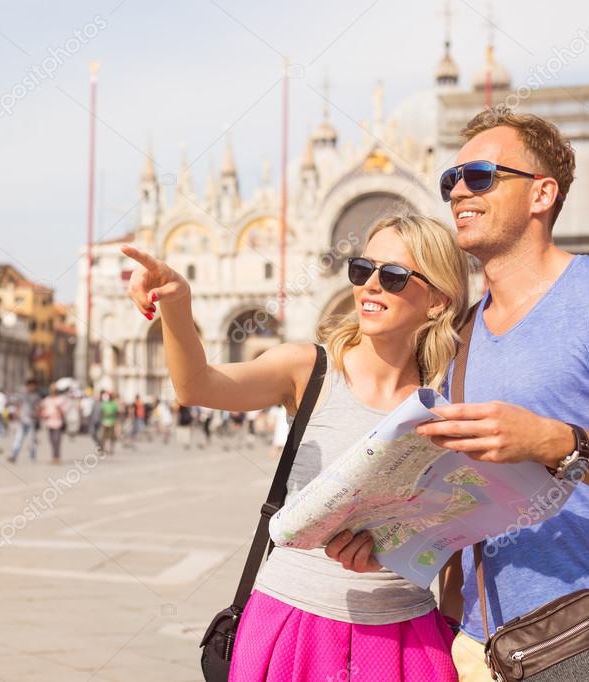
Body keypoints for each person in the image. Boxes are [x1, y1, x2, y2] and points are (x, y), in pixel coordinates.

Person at [121, 210, 467, 680]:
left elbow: (459, 529)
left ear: (438, 300)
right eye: (363, 270)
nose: (370, 285)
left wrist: (448, 619)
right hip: (294, 621)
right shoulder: (309, 370)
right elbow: (197, 386)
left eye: (393, 275)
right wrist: (179, 306)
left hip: (407, 632)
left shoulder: (451, 398)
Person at [412, 106, 589, 681]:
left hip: (588, 634)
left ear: (542, 194)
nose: (458, 190)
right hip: (476, 643)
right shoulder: (460, 331)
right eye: (449, 181)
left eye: (480, 175)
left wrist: (551, 440)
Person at [9, 378, 41, 463]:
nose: (31, 387)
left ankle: (32, 456)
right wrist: (16, 415)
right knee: (18, 438)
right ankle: (14, 455)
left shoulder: (36, 396)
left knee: (31, 440)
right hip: (22, 420)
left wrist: (37, 414)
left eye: (33, 385)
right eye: (30, 385)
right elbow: (18, 406)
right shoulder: (22, 395)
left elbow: (38, 408)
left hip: (31, 421)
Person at [39, 384, 67, 463]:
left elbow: (64, 411)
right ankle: (54, 456)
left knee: (57, 440)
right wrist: (43, 414)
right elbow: (42, 410)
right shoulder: (47, 400)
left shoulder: (61, 399)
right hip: (49, 423)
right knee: (51, 440)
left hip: (58, 422)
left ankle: (57, 457)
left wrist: (60, 409)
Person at [99, 391, 119, 455]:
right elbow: (101, 411)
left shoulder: (114, 403)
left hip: (112, 422)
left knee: (112, 437)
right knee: (103, 437)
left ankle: (111, 449)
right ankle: (103, 449)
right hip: (105, 422)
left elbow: (117, 412)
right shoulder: (105, 403)